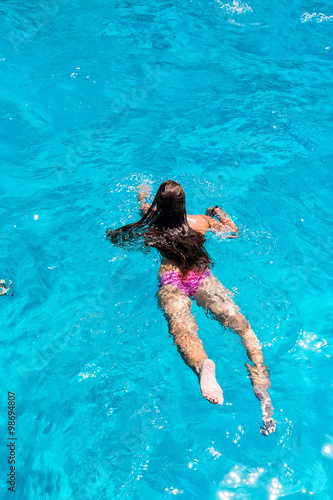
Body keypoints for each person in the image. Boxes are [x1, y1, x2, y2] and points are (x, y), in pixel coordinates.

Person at [107, 180, 276, 435]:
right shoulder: (200, 222)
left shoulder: (152, 220)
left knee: (183, 331)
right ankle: (260, 381)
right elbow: (233, 232)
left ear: (159, 204)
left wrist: (142, 190)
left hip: (171, 279)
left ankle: (201, 366)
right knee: (243, 329)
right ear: (183, 204)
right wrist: (218, 211)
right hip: (201, 278)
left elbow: (142, 205)